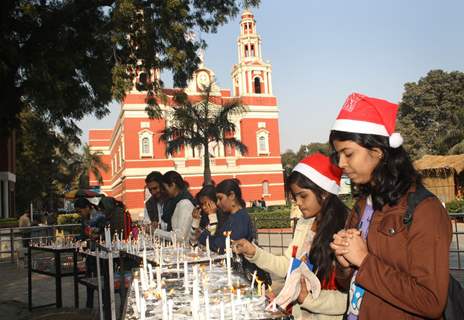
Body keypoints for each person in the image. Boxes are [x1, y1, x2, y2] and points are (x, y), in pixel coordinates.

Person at [329, 93, 452, 319]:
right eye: (338, 155)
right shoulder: (360, 206)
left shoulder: (425, 210)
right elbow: (348, 285)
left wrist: (364, 260)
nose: (341, 164)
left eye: (348, 154)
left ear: (378, 151)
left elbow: (431, 301)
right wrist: (345, 263)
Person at [234, 153, 349, 319]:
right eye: (295, 197)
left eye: (303, 196)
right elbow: (287, 266)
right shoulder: (304, 223)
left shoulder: (345, 229)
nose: (298, 203)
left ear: (324, 193)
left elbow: (348, 297)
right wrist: (254, 252)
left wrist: (307, 299)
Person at [198, 179, 255, 253]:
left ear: (231, 196)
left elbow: (223, 245)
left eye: (220, 198)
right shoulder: (229, 217)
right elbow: (203, 239)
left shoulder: (241, 218)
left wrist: (212, 217)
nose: (218, 203)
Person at [161, 171, 195, 242]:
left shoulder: (185, 203)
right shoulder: (173, 202)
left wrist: (156, 232)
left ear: (173, 185)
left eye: (165, 188)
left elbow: (180, 236)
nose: (164, 191)